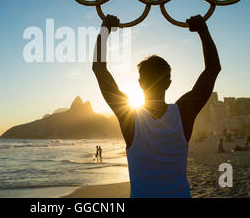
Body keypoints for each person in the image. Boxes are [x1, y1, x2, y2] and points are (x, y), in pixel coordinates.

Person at [92, 14, 221, 198]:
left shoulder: (128, 116)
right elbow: (213, 68)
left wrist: (105, 30)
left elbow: (99, 69)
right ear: (168, 83)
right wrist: (202, 29)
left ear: (140, 83)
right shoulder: (183, 112)